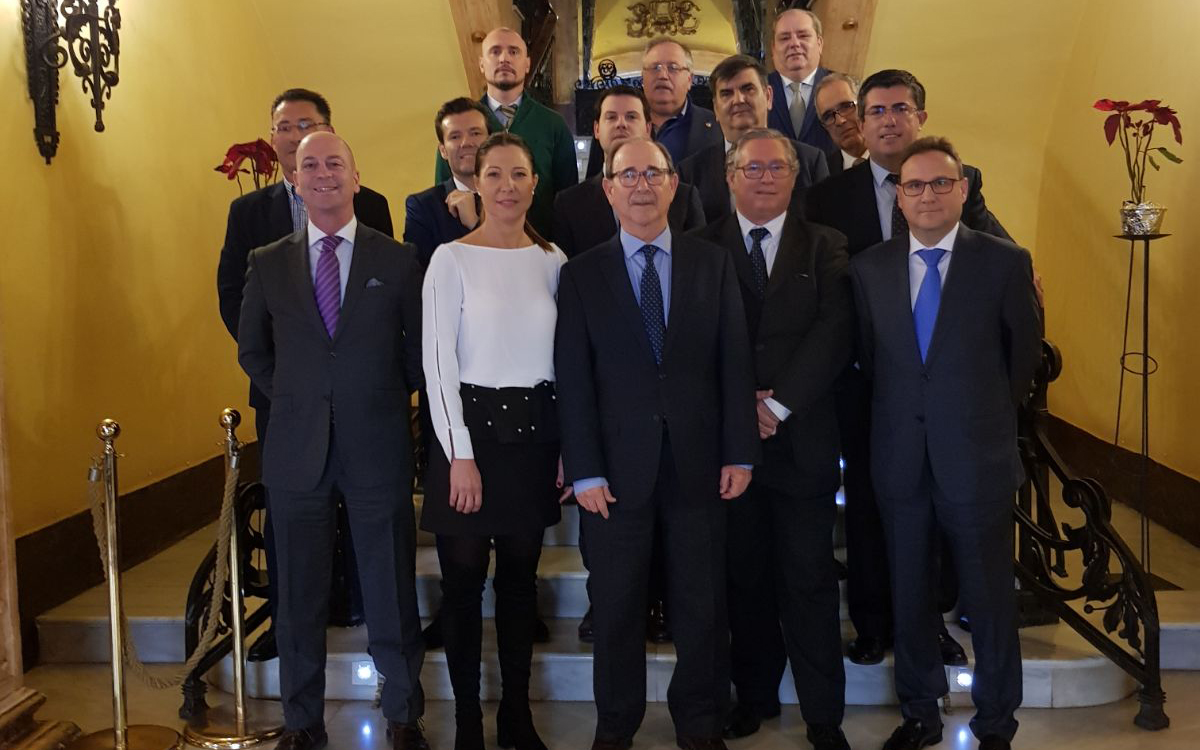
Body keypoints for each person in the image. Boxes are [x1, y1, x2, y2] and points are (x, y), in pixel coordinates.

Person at [555, 137, 759, 750]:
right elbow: (574, 377)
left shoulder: (712, 262)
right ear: (608, 189)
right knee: (617, 608)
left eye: (653, 173)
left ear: (674, 185)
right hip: (614, 474)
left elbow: (734, 362)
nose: (641, 185)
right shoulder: (581, 272)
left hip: (700, 465)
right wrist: (584, 469)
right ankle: (616, 726)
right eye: (628, 175)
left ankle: (699, 724)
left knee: (701, 606)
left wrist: (739, 450)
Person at [805, 68, 1010, 667]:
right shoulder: (828, 197)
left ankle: (929, 622)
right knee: (870, 504)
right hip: (862, 378)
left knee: (937, 503)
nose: (888, 120)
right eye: (875, 111)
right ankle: (873, 621)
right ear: (859, 123)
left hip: (941, 384)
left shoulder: (957, 181)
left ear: (920, 116)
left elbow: (999, 257)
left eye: (900, 109)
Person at [849, 136, 1040, 750]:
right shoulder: (869, 269)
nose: (927, 195)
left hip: (976, 458)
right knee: (909, 593)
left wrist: (975, 417)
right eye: (914, 185)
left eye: (939, 183)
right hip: (900, 458)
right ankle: (920, 714)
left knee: (988, 597)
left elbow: (1021, 361)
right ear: (899, 198)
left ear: (962, 190)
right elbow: (872, 360)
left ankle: (996, 723)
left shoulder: (1004, 262)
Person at [237, 131, 427, 750]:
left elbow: (416, 354)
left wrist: (373, 396)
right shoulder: (267, 261)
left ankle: (403, 716)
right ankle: (302, 722)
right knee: (297, 595)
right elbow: (253, 351)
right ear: (295, 179)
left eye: (334, 163)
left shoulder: (397, 260)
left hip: (377, 444)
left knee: (390, 587)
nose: (322, 173)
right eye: (310, 164)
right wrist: (300, 396)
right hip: (297, 452)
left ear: (355, 175)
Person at [216, 87, 392, 660]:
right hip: (287, 398)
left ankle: (359, 600)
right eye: (285, 127)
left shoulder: (371, 204)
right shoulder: (250, 213)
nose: (295, 136)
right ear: (273, 139)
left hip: (360, 402)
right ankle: (288, 618)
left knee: (363, 509)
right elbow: (233, 297)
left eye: (307, 125)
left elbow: (385, 305)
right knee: (292, 517)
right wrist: (290, 383)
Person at [692, 129, 853, 750]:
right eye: (751, 167)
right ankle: (754, 697)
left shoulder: (827, 244)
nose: (764, 177)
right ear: (730, 176)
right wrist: (741, 409)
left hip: (802, 442)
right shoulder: (699, 247)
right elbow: (690, 342)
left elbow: (835, 331)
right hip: (730, 449)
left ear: (794, 175)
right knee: (745, 581)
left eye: (776, 167)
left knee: (809, 582)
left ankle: (823, 717)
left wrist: (778, 405)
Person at [422, 132, 568, 750]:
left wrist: (567, 446)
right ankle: (466, 722)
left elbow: (566, 361)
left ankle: (516, 714)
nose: (508, 186)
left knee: (518, 583)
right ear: (476, 184)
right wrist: (460, 454)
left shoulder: (553, 260)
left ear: (535, 183)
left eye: (519, 174)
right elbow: (437, 363)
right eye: (495, 174)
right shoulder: (450, 259)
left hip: (534, 434)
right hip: (469, 433)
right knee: (461, 586)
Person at [433, 27, 577, 239]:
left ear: (527, 63)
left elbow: (568, 199)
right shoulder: (459, 126)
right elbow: (443, 192)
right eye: (495, 51)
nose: (504, 58)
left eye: (513, 51)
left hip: (540, 244)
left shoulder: (553, 125)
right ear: (482, 64)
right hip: (470, 243)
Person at [555, 84, 706, 259]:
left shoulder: (684, 198)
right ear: (597, 129)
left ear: (648, 128)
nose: (621, 124)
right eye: (611, 117)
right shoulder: (569, 205)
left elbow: (699, 263)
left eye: (631, 117)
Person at [678, 55, 828, 224]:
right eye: (726, 94)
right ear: (716, 108)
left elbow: (824, 232)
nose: (738, 100)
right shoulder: (690, 173)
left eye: (748, 89)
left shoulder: (810, 162)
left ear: (768, 96)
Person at [404, 97, 492, 267]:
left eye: (475, 133)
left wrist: (475, 224)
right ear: (443, 150)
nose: (466, 143)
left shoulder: (512, 197)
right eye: (455, 136)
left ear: (490, 141)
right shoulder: (423, 207)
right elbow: (420, 273)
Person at [641, 37, 723, 165]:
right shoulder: (623, 123)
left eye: (673, 68)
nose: (662, 75)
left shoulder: (718, 126)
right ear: (642, 78)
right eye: (655, 67)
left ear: (689, 80)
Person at [765, 7, 835, 153]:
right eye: (784, 38)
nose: (794, 43)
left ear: (819, 43)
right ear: (773, 48)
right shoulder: (758, 91)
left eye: (803, 36)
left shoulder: (842, 88)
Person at [812, 73, 868, 176]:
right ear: (824, 126)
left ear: (863, 105)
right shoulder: (822, 176)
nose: (840, 121)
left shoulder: (895, 157)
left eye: (846, 106)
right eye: (828, 116)